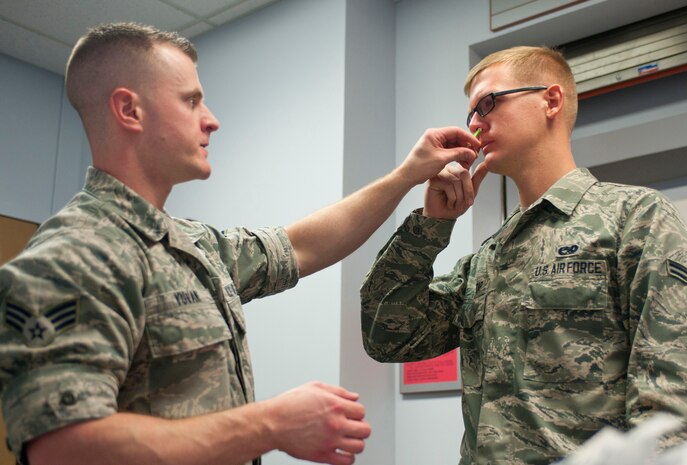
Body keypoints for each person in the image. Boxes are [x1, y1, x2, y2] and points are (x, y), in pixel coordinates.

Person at [0, 23, 480, 465]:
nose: (211, 120)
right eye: (190, 101)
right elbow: (61, 446)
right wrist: (270, 424)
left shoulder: (189, 244)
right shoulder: (74, 256)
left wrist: (405, 176)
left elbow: (302, 245)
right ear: (130, 110)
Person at [360, 45, 687, 464]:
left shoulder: (635, 218)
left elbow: (670, 409)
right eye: (470, 114)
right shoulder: (487, 259)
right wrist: (430, 227)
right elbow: (387, 336)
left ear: (551, 100)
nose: (474, 125)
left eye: (488, 103)